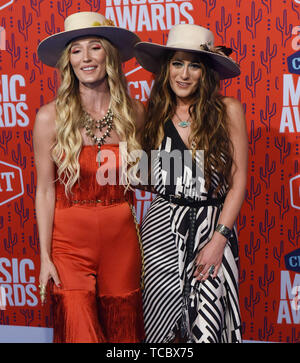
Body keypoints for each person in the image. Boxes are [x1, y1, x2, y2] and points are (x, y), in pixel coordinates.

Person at [33, 11, 145, 343]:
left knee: (123, 333)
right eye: (76, 49)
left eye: (94, 47)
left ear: (108, 55)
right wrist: (44, 257)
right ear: (68, 60)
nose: (86, 58)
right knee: (78, 329)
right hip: (68, 244)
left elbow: (150, 175)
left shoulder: (135, 112)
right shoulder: (49, 117)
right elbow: (44, 191)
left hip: (121, 242)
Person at [134, 24, 248, 343]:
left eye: (194, 64)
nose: (184, 74)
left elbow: (238, 181)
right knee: (160, 331)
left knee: (208, 327)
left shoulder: (228, 111)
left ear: (206, 71)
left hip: (212, 230)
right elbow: (144, 176)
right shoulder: (153, 115)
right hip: (159, 234)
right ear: (166, 68)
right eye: (177, 63)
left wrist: (219, 239)